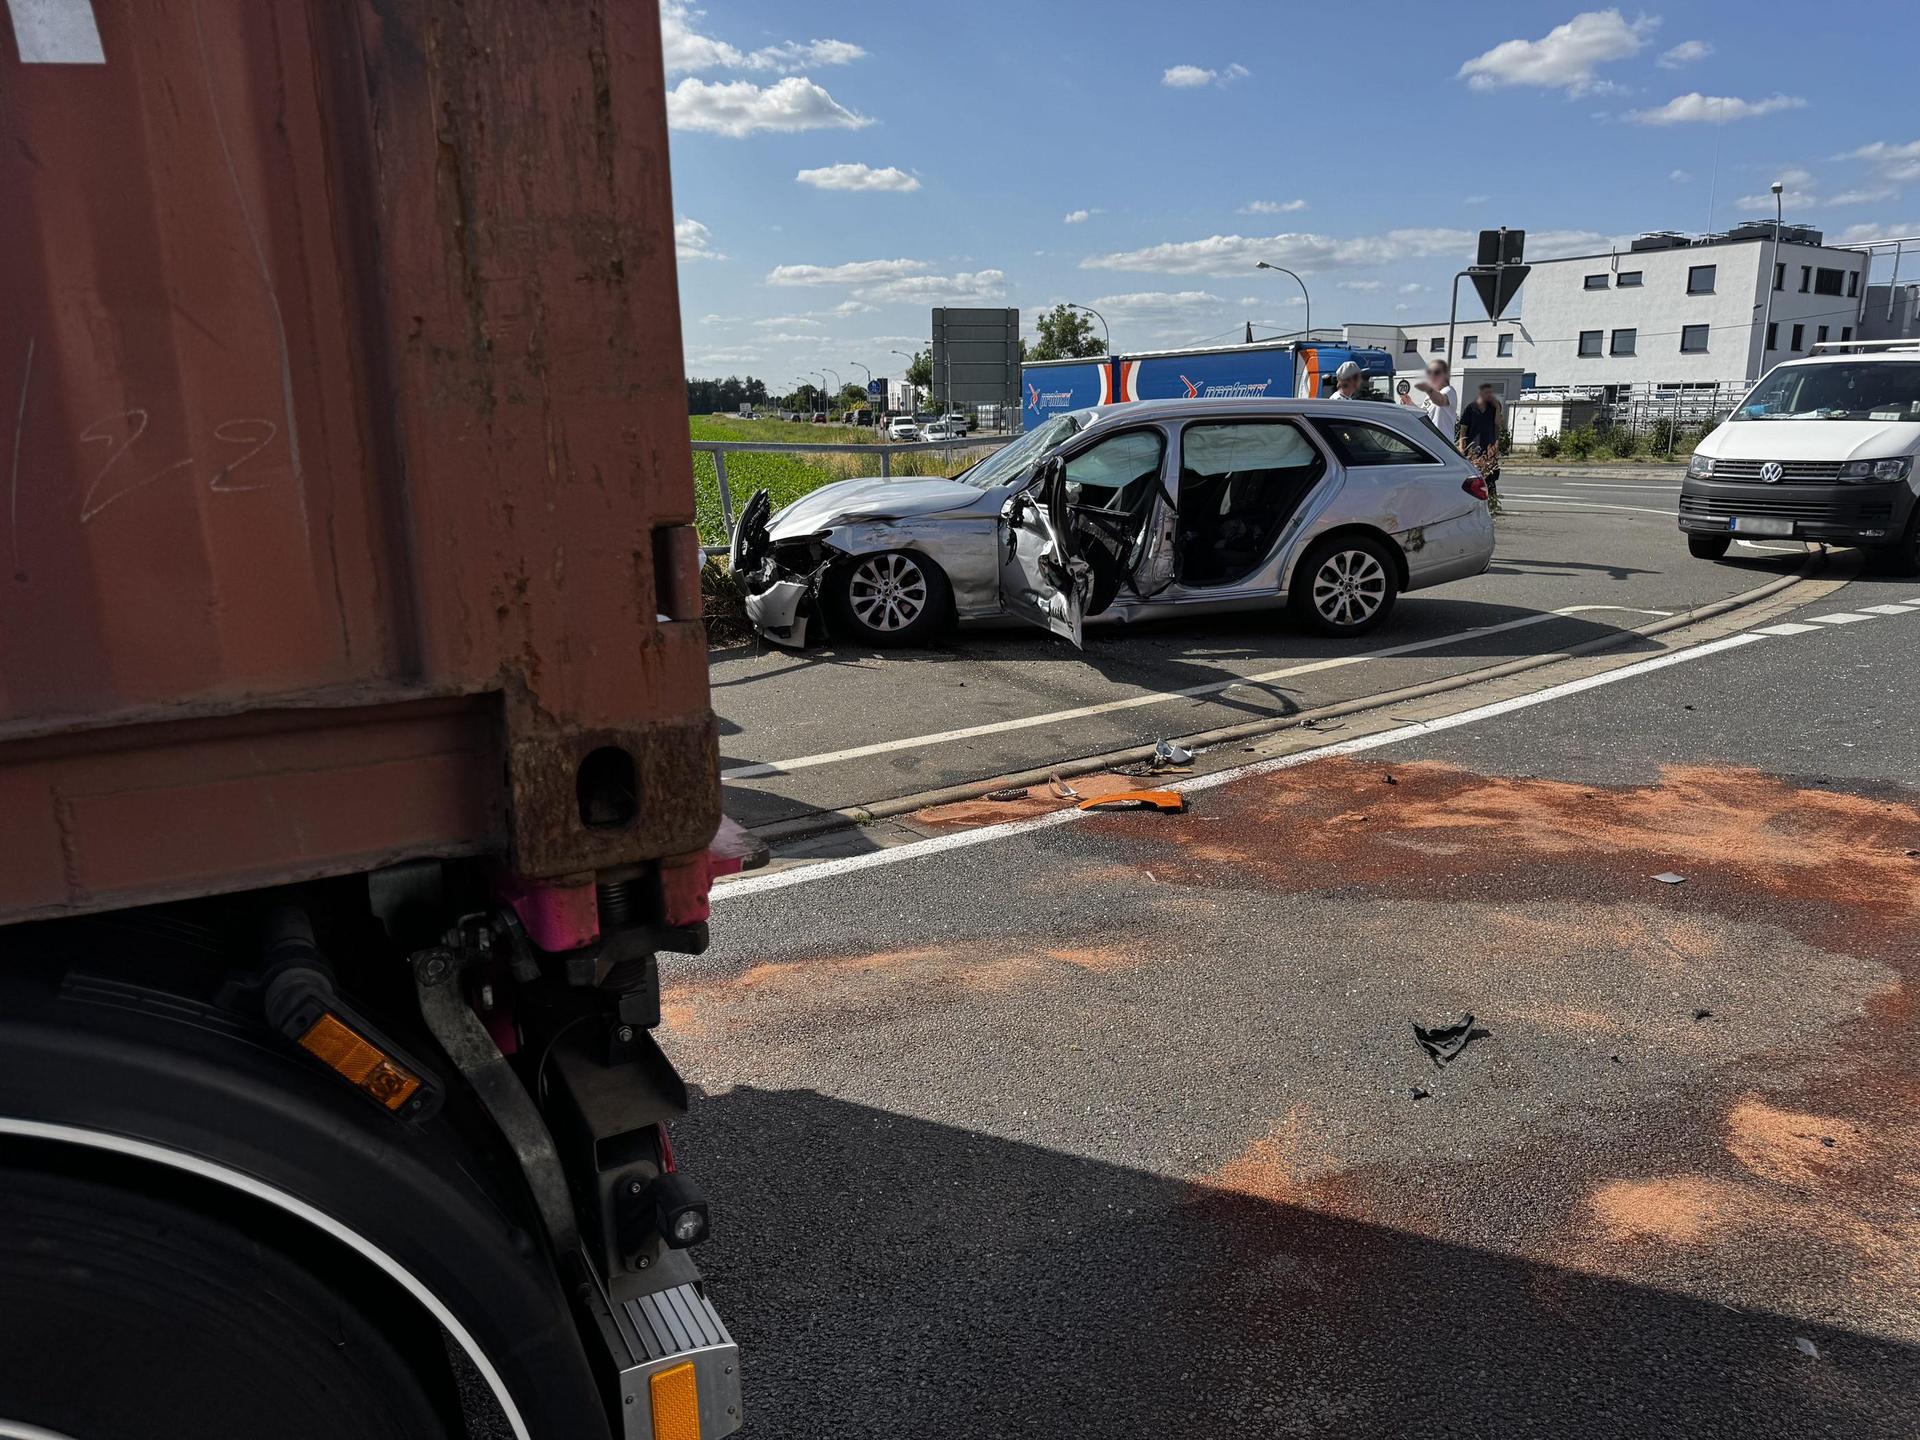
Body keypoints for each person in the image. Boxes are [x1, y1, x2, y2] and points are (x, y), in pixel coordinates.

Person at [1459, 382, 1504, 506]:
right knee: (1473, 477)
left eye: (1490, 393)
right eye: (1486, 393)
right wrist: (1462, 447)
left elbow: (1498, 424)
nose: (1489, 395)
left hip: (1489, 448)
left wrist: (1497, 406)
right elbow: (1463, 429)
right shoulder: (1471, 408)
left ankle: (1492, 503)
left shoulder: (1493, 408)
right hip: (1473, 448)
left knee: (1490, 477)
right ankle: (1472, 503)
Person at [1399, 357, 1458, 446]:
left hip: (1444, 445)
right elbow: (1423, 414)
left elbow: (1440, 400)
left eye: (1437, 372)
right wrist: (1410, 403)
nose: (1432, 376)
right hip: (1430, 443)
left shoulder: (1449, 391)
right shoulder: (1429, 396)